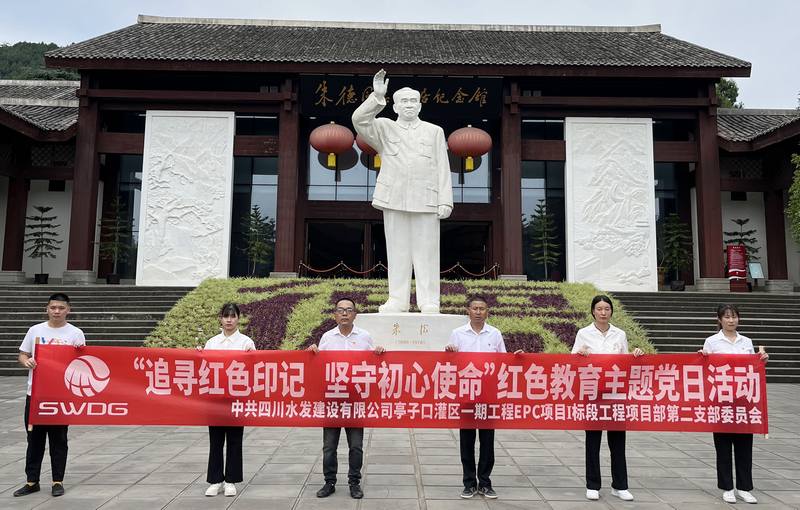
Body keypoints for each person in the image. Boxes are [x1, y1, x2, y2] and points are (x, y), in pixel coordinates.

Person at [352, 69, 453, 314]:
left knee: (427, 252)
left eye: (413, 101)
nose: (409, 105)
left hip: (427, 199)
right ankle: (397, 299)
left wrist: (445, 201)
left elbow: (443, 167)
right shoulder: (384, 128)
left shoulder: (434, 131)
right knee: (398, 251)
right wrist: (377, 97)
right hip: (394, 197)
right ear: (395, 107)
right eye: (404, 101)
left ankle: (429, 300)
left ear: (420, 106)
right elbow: (359, 120)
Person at [307, 297, 385, 499]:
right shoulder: (327, 337)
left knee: (356, 446)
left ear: (355, 315)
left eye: (349, 310)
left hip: (355, 400)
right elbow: (317, 366)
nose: (344, 313)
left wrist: (378, 352)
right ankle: (329, 482)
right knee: (329, 446)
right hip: (332, 400)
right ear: (335, 314)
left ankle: (354, 483)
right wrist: (312, 353)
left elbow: (373, 365)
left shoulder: (364, 337)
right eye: (340, 310)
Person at [445, 295, 522, 499]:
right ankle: (469, 483)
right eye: (475, 308)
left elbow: (503, 359)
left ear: (487, 311)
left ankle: (485, 482)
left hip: (488, 394)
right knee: (467, 440)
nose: (478, 312)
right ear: (468, 311)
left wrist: (516, 358)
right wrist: (449, 352)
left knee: (487, 440)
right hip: (466, 393)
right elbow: (449, 364)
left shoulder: (494, 333)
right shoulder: (457, 333)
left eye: (482, 308)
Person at [572, 294, 644, 502]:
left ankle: (620, 485)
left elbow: (626, 361)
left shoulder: (619, 334)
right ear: (593, 311)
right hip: (592, 393)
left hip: (615, 394)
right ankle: (592, 485)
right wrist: (580, 354)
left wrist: (636, 354)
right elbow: (572, 361)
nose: (603, 313)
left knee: (618, 442)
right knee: (592, 441)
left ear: (611, 311)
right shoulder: (583, 333)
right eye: (599, 309)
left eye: (607, 309)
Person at [14, 292, 85, 498]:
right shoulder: (35, 330)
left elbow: (82, 362)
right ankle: (32, 481)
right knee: (34, 439)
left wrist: (79, 352)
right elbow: (23, 354)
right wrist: (26, 361)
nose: (56, 311)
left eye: (61, 308)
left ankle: (57, 481)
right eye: (53, 307)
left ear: (68, 310)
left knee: (58, 439)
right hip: (36, 394)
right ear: (47, 309)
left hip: (60, 395)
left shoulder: (75, 333)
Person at [699, 303, 768, 504]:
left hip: (744, 401)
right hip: (720, 401)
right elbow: (704, 369)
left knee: (744, 446)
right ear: (719, 320)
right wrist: (702, 357)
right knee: (723, 447)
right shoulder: (711, 341)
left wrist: (762, 360)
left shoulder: (746, 341)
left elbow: (753, 367)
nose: (731, 320)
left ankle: (744, 488)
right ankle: (727, 487)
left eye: (734, 316)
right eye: (727, 317)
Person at [199, 303, 256, 497]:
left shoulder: (246, 343)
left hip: (236, 399)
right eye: (226, 316)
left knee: (234, 440)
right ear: (221, 319)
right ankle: (215, 480)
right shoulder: (212, 343)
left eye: (233, 316)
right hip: (215, 399)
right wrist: (197, 355)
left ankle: (231, 480)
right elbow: (203, 369)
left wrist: (252, 357)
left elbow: (254, 369)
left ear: (239, 318)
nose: (229, 320)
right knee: (215, 441)